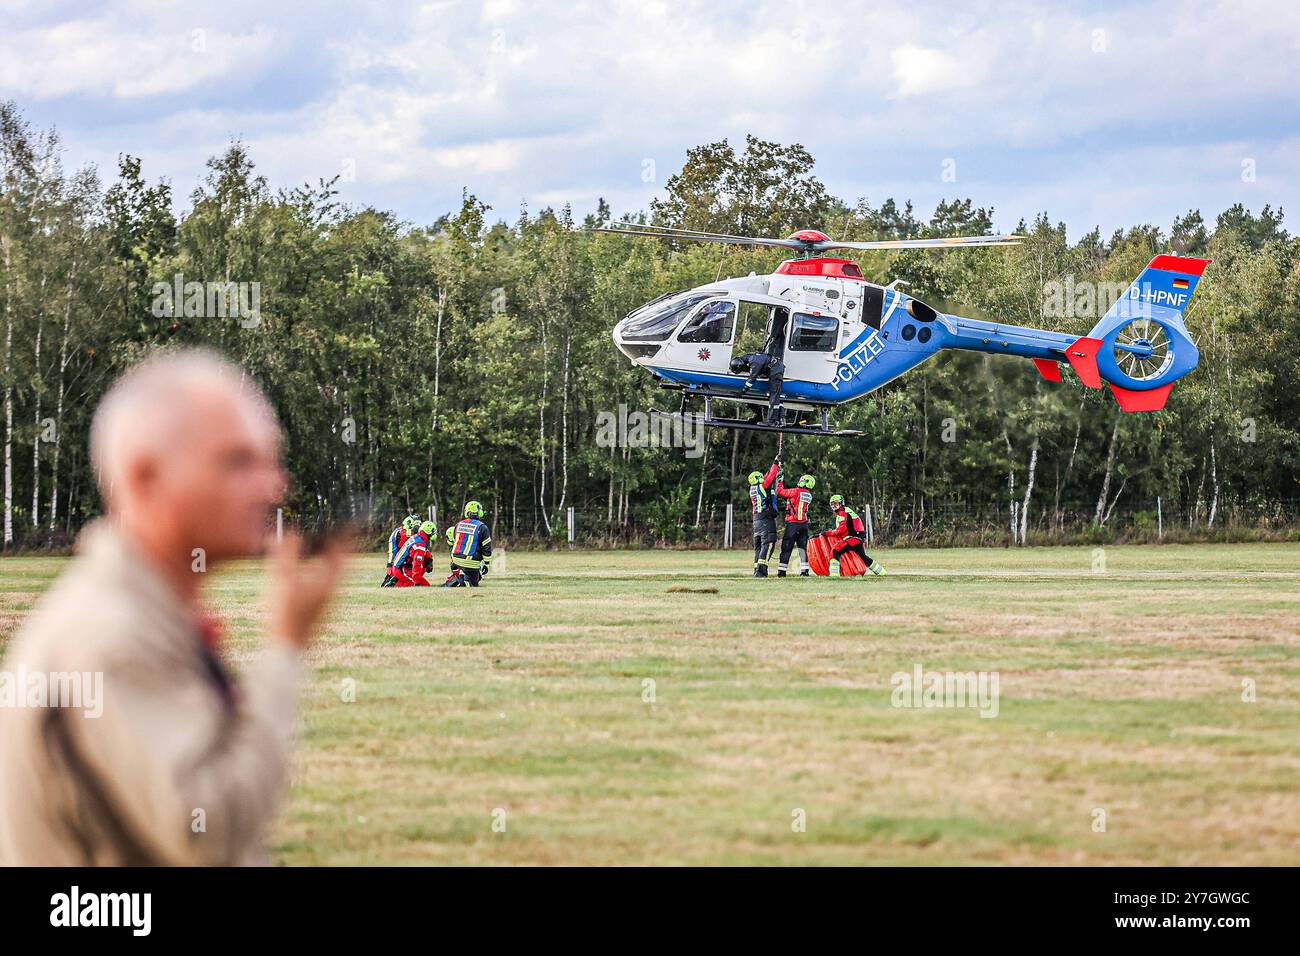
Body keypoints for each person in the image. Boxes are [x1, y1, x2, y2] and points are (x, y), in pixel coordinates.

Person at [0, 349, 343, 866]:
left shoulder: (144, 610)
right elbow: (205, 832)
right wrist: (285, 650)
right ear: (144, 477)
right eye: (238, 461)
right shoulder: (110, 634)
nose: (275, 485)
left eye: (271, 459)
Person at [824, 494, 885, 577]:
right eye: (832, 504)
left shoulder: (842, 513)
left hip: (853, 538)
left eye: (836, 503)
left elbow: (841, 530)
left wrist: (828, 533)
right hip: (858, 538)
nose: (834, 506)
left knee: (835, 550)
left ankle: (834, 575)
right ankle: (881, 572)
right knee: (863, 557)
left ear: (841, 503)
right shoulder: (846, 511)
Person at [441, 501, 493, 587]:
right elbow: (486, 548)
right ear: (479, 512)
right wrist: (486, 564)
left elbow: (455, 542)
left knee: (465, 570)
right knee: (474, 584)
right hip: (471, 562)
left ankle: (460, 578)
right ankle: (465, 582)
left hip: (455, 560)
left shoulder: (458, 524)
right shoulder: (482, 527)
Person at [747, 456, 781, 577]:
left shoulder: (753, 488)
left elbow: (767, 476)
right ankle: (761, 571)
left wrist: (775, 463)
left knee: (758, 547)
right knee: (768, 543)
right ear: (757, 479)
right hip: (765, 519)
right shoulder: (762, 486)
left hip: (756, 520)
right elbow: (771, 476)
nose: (763, 478)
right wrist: (776, 463)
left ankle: (757, 570)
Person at [731, 351, 785, 425]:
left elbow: (752, 378)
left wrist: (742, 392)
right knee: (775, 396)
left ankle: (772, 421)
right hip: (775, 367)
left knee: (774, 396)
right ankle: (779, 419)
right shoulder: (748, 357)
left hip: (776, 371)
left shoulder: (754, 362)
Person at [776, 473, 815, 576]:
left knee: (786, 548)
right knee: (802, 549)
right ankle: (805, 571)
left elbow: (780, 492)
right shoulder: (809, 495)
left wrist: (780, 481)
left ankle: (782, 572)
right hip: (804, 525)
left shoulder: (796, 491)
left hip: (793, 524)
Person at [392, 520, 436, 587]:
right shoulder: (420, 545)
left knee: (424, 584)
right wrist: (417, 582)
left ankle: (398, 582)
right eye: (433, 532)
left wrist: (429, 559)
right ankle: (395, 584)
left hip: (400, 566)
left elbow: (425, 551)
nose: (434, 534)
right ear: (428, 532)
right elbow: (416, 567)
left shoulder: (418, 537)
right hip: (401, 569)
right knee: (423, 586)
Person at [382, 514, 420, 586]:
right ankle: (389, 577)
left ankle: (402, 577)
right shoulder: (401, 531)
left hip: (405, 547)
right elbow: (404, 534)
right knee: (392, 560)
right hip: (395, 544)